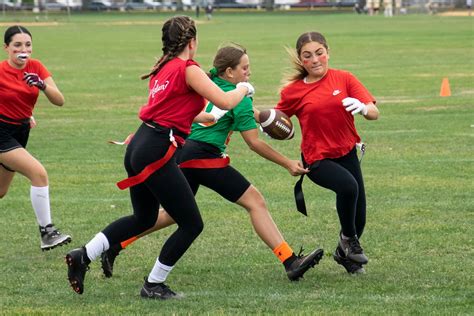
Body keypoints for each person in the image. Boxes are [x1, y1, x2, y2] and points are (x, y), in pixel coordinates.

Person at [64, 16, 254, 299]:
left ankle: (83, 255)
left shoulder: (161, 67)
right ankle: (153, 284)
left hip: (140, 144)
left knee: (144, 217)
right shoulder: (188, 68)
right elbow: (226, 100)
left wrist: (209, 118)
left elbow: (175, 109)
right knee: (191, 224)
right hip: (155, 150)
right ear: (192, 42)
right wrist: (243, 89)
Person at [100, 44, 324, 283]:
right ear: (229, 72)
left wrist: (261, 117)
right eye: (245, 68)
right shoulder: (240, 98)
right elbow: (253, 143)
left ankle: (115, 244)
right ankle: (290, 261)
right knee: (255, 202)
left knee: (174, 215)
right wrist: (288, 163)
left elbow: (227, 110)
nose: (249, 72)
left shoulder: (206, 79)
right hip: (203, 155)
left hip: (181, 152)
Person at [274, 32, 379, 274]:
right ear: (301, 61)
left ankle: (345, 254)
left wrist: (363, 108)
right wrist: (270, 125)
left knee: (358, 217)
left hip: (347, 153)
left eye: (319, 53)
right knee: (348, 187)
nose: (315, 60)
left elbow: (374, 112)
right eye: (308, 56)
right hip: (317, 159)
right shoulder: (294, 92)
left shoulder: (344, 78)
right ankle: (348, 243)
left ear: (328, 52)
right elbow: (278, 118)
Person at [0, 25, 71, 251]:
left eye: (28, 44)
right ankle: (47, 232)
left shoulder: (36, 67)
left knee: (0, 191)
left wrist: (42, 86)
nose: (24, 49)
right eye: (17, 45)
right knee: (38, 173)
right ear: (7, 48)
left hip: (20, 132)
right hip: (1, 132)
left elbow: (59, 100)